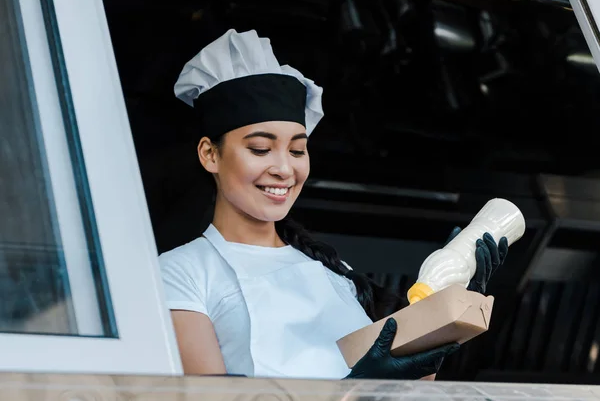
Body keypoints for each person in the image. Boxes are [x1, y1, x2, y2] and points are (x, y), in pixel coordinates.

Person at [159, 29, 508, 380]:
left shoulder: (332, 270)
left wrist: (447, 311)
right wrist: (357, 392)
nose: (284, 169)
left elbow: (413, 390)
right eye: (260, 149)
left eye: (297, 150)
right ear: (210, 154)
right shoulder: (180, 273)